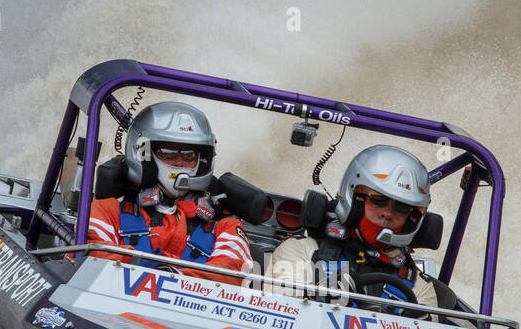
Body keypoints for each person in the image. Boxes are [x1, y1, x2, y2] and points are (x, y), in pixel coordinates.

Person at [85, 101, 253, 285]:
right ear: (143, 155)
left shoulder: (225, 228)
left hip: (193, 311)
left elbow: (230, 274)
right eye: (169, 153)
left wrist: (172, 278)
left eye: (189, 156)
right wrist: (162, 273)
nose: (180, 163)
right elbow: (91, 260)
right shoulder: (105, 212)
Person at [270, 145, 440, 314]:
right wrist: (323, 295)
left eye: (401, 208)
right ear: (355, 200)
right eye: (378, 201)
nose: (388, 213)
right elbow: (281, 308)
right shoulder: (302, 250)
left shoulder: (420, 287)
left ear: (412, 219)